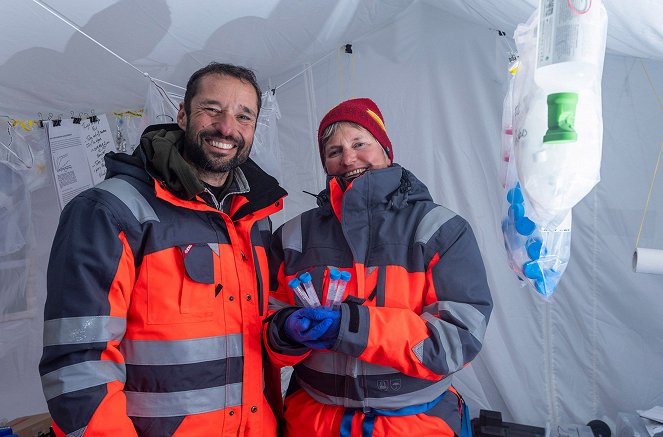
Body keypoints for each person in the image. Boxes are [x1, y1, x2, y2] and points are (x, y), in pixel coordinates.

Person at [39, 62, 286, 436]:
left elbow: (253, 337)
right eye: (212, 109)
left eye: (243, 116)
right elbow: (78, 363)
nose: (227, 128)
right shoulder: (110, 211)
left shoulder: (254, 218)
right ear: (183, 114)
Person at [264, 98, 492, 436]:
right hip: (312, 423)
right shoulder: (293, 235)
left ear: (386, 149)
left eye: (359, 143)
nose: (348, 158)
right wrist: (284, 331)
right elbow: (261, 323)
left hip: (415, 424)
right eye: (334, 151)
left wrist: (354, 327)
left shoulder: (439, 230)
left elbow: (457, 340)